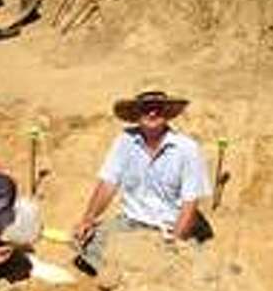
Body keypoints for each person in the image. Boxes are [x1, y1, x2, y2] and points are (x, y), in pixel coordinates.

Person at [70, 88, 213, 277]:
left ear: (167, 113)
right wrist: (87, 219)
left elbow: (190, 205)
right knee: (86, 248)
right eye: (146, 108)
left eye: (158, 107)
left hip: (168, 228)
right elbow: (108, 184)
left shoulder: (188, 149)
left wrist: (174, 243)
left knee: (172, 272)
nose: (152, 112)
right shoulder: (124, 141)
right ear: (137, 113)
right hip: (130, 223)